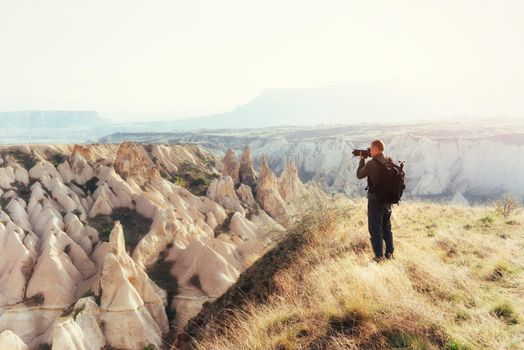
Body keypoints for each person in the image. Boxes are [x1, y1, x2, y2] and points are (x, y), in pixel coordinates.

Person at [356, 140, 394, 262]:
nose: (370, 151)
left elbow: (359, 175)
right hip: (388, 201)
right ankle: (389, 254)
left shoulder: (372, 163)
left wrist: (362, 160)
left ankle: (378, 257)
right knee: (386, 228)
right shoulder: (389, 160)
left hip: (375, 201)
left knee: (375, 229)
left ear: (376, 149)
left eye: (371, 149)